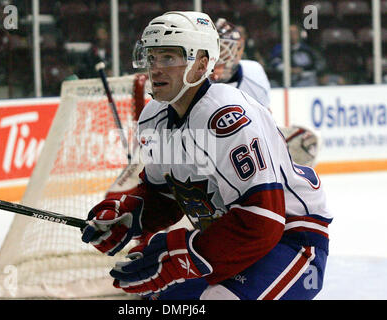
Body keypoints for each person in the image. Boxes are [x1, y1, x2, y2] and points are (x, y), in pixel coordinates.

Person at [81, 11, 332, 300]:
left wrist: (182, 256)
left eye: (169, 58)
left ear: (201, 64)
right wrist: (129, 215)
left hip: (290, 235)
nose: (156, 68)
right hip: (231, 235)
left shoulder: (226, 116)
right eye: (152, 58)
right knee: (158, 299)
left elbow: (263, 219)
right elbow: (165, 196)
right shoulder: (154, 118)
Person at [212, 18, 320, 168]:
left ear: (239, 50)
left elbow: (265, 122)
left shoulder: (253, 73)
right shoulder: (194, 77)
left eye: (222, 48)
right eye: (212, 48)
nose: (217, 56)